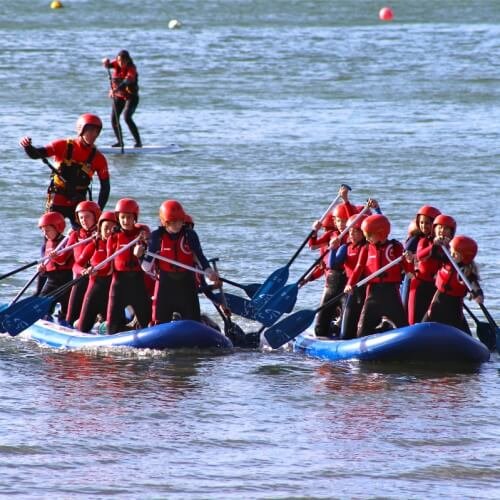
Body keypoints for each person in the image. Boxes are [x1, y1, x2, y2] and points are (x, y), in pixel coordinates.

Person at [19, 114, 110, 228]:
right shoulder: (62, 146)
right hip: (57, 200)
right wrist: (27, 146)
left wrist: (98, 210)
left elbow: (105, 188)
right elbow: (36, 154)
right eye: (90, 131)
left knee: (82, 236)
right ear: (81, 130)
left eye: (96, 131)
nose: (93, 135)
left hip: (79, 202)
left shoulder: (99, 158)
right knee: (51, 233)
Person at [141, 200, 219, 324]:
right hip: (165, 285)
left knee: (193, 322)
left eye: (180, 221)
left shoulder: (190, 235)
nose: (178, 225)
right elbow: (146, 267)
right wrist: (140, 255)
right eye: (174, 222)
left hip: (187, 283)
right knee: (159, 322)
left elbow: (200, 258)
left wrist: (210, 273)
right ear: (164, 222)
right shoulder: (157, 236)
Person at [345, 214, 413, 337]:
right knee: (361, 331)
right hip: (373, 293)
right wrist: (350, 284)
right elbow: (359, 267)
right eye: (365, 235)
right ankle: (380, 331)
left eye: (369, 235)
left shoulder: (396, 247)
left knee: (403, 327)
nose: (367, 238)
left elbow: (409, 272)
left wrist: (409, 261)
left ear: (381, 233)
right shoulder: (366, 248)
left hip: (391, 292)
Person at [106, 198, 151, 334]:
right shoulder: (113, 238)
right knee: (111, 328)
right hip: (119, 284)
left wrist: (145, 242)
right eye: (122, 217)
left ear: (135, 218)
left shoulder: (142, 235)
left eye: (129, 217)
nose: (126, 221)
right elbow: (108, 264)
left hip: (138, 283)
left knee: (147, 323)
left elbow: (152, 252)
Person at [423, 235, 482, 333]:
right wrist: (436, 244)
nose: (451, 254)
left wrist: (479, 295)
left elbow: (474, 285)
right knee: (424, 326)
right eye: (451, 251)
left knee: (457, 330)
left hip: (453, 308)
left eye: (455, 253)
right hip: (437, 303)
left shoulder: (465, 272)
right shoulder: (448, 261)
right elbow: (434, 255)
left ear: (464, 256)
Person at [328, 213, 368, 339]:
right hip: (351, 290)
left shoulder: (369, 247)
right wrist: (333, 249)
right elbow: (332, 265)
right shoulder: (346, 247)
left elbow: (360, 266)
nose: (351, 234)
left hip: (365, 287)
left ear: (364, 233)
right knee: (346, 330)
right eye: (350, 231)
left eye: (356, 232)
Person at [77, 211, 118, 332]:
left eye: (113, 228)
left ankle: (102, 324)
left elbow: (110, 268)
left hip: (113, 293)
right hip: (94, 290)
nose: (109, 231)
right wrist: (83, 270)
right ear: (100, 229)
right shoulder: (94, 244)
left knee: (114, 326)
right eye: (106, 228)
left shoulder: (122, 246)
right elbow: (76, 265)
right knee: (82, 327)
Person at [65, 200, 101, 326]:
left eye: (87, 217)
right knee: (70, 318)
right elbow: (62, 258)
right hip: (80, 276)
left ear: (96, 217)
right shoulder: (75, 235)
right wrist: (53, 256)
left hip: (97, 277)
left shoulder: (103, 234)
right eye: (81, 217)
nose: (84, 220)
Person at [405, 206, 442, 324]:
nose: (424, 226)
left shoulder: (444, 242)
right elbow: (417, 254)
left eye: (427, 223)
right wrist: (409, 255)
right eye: (421, 223)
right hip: (418, 282)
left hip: (436, 285)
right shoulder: (417, 240)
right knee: (414, 318)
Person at [36, 212, 74, 320]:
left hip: (67, 282)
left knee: (67, 310)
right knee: (42, 305)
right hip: (52, 281)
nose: (45, 233)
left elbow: (63, 261)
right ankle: (44, 317)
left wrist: (56, 257)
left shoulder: (67, 242)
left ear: (58, 228)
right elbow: (44, 263)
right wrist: (41, 268)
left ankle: (65, 317)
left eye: (47, 230)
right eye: (43, 231)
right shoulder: (45, 246)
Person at [102, 50, 142, 148]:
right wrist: (105, 62)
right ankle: (120, 142)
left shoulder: (131, 68)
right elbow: (107, 65)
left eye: (123, 61)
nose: (121, 63)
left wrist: (115, 89)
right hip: (119, 96)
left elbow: (128, 80)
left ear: (127, 60)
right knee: (114, 119)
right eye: (119, 61)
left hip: (131, 97)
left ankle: (138, 143)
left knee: (127, 117)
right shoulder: (116, 63)